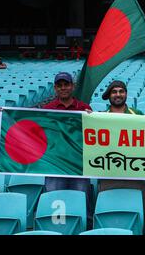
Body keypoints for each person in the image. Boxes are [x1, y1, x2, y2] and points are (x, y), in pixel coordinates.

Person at [42, 72, 92, 226]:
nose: (63, 88)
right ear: (55, 88)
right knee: (54, 198)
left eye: (66, 84)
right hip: (55, 165)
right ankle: (58, 229)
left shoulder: (84, 108)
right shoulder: (46, 109)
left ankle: (82, 227)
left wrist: (92, 118)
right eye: (60, 85)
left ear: (72, 86)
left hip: (79, 165)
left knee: (81, 197)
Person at [97, 80, 145, 193]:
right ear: (109, 95)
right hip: (109, 173)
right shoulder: (100, 117)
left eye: (121, 91)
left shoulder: (137, 114)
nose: (118, 94)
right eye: (114, 92)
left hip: (134, 171)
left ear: (126, 94)